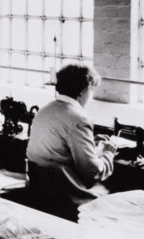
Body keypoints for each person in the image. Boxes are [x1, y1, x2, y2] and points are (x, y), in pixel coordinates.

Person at [26, 63, 118, 222]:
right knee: (118, 206)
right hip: (66, 193)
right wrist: (108, 153)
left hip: (39, 187)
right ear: (84, 90)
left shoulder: (45, 109)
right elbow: (91, 171)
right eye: (91, 90)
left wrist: (90, 143)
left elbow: (58, 147)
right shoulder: (78, 118)